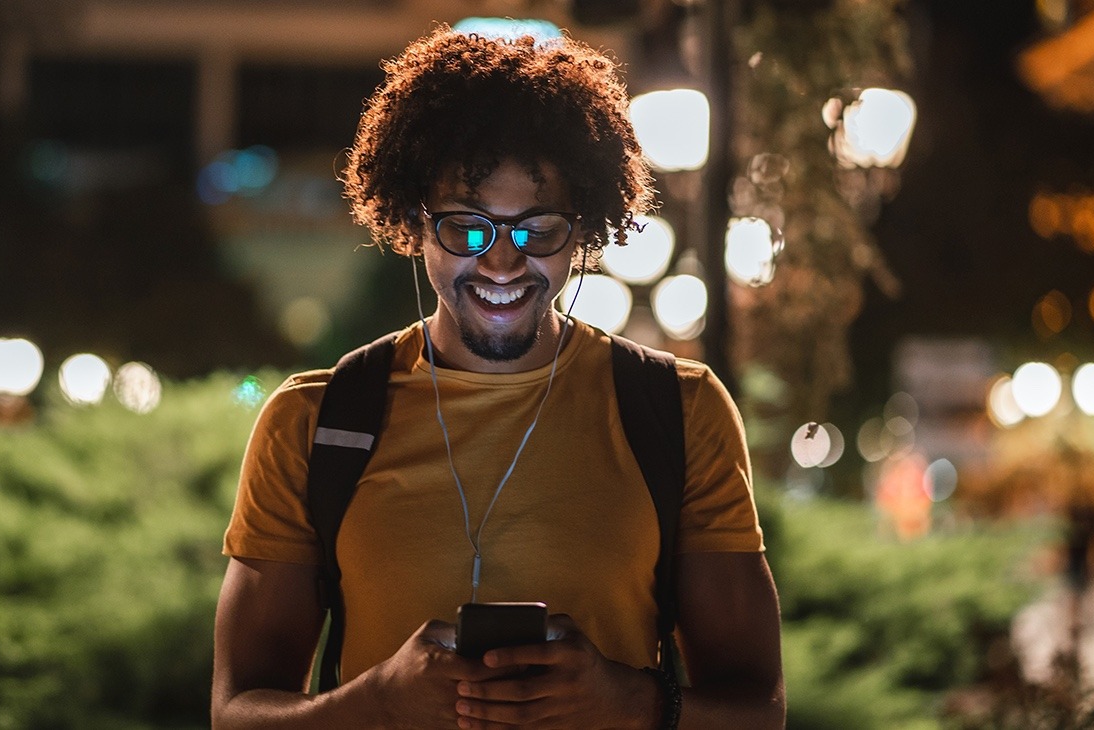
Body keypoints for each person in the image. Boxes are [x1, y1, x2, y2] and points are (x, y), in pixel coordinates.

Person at [212, 26, 783, 729]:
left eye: (538, 230)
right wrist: (378, 703)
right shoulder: (316, 421)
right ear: (413, 223)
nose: (504, 263)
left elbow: (759, 711)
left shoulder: (678, 409)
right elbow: (236, 713)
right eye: (467, 228)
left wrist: (627, 701)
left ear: (583, 232)